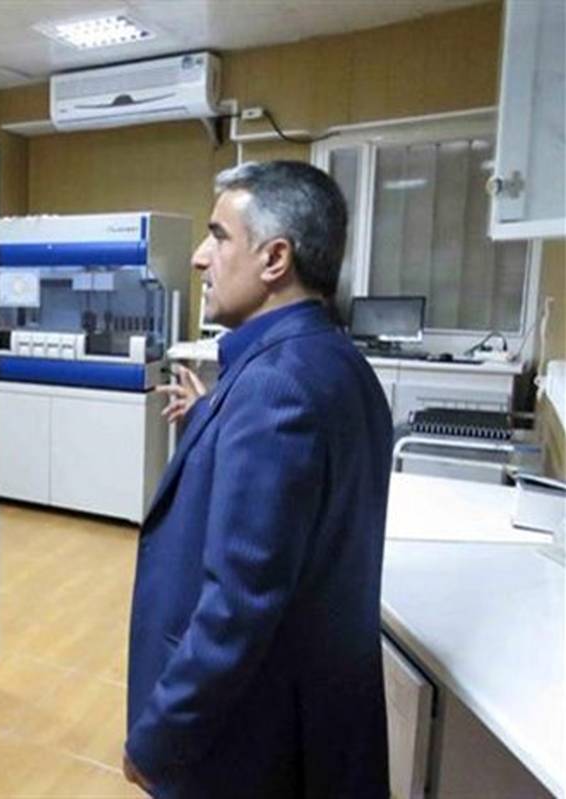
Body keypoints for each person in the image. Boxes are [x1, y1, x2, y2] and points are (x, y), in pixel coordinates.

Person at [124, 161, 393, 798]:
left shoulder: (275, 388)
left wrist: (158, 739)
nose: (199, 257)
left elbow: (239, 605)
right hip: (313, 718)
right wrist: (212, 417)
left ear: (275, 258)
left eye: (218, 236)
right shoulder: (333, 363)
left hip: (253, 741)